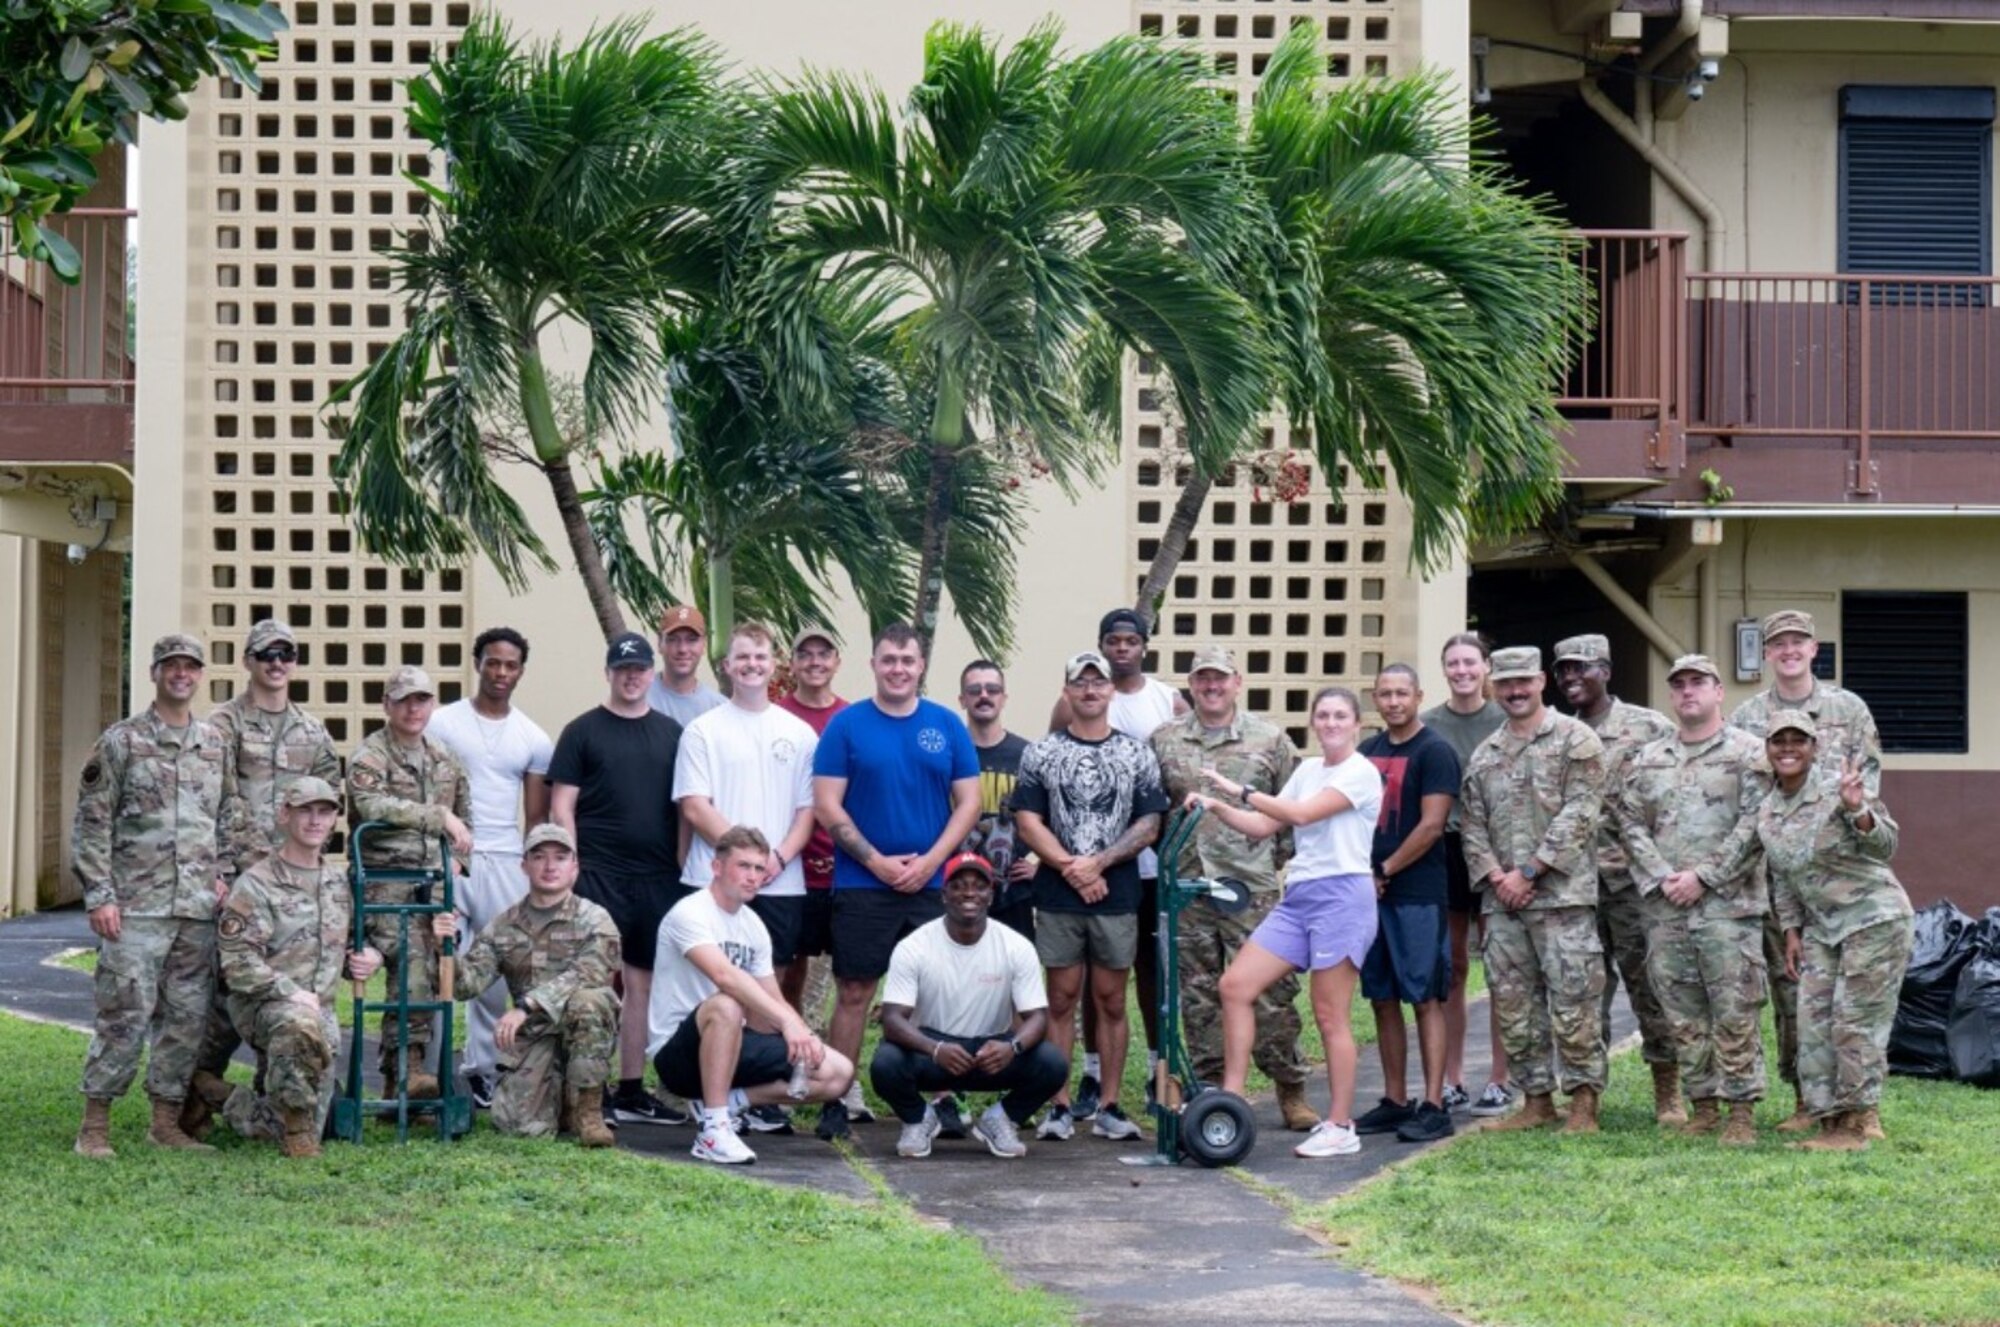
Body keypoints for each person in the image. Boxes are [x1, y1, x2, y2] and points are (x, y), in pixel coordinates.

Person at [1189, 687, 1384, 1159]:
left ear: (1356, 724)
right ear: (1314, 722)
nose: (1331, 723)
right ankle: (1232, 1100)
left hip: (1342, 895)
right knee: (1235, 986)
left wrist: (1242, 789)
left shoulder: (1361, 773)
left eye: (1340, 716)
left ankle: (1341, 1125)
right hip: (1299, 896)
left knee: (1329, 1014)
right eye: (1323, 715)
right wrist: (1218, 806)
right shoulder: (1309, 770)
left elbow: (1298, 813)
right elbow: (1262, 826)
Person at [812, 623, 981, 1140]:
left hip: (934, 885)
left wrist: (932, 861)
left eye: (907, 660)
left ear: (921, 665)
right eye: (889, 660)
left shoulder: (946, 725)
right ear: (873, 664)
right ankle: (837, 1096)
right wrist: (877, 861)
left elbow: (969, 802)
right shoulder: (846, 726)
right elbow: (826, 804)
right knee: (856, 990)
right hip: (863, 884)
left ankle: (944, 1097)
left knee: (939, 994)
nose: (898, 669)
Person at [73, 633, 238, 1158]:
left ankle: (165, 1123)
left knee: (186, 1020)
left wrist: (224, 874)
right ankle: (94, 1127)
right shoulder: (122, 741)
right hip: (136, 907)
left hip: (195, 908)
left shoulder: (213, 744)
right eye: (172, 666)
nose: (181, 674)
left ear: (199, 675)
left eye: (191, 667)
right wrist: (100, 895)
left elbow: (228, 815)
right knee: (124, 1014)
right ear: (154, 673)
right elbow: (92, 823)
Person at [1150, 645, 1317, 1133]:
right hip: (1189, 889)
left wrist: (1270, 860)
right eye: (1202, 678)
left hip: (1252, 892)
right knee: (1198, 998)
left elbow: (1293, 808)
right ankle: (1208, 1095)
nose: (1211, 686)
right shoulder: (1164, 740)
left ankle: (1291, 1090)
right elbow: (1155, 810)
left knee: (1269, 994)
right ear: (1191, 685)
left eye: (1219, 678)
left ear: (1237, 682)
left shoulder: (1270, 739)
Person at [1728, 609, 1882, 1133]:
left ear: (1815, 648)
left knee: (1856, 999)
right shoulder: (1747, 719)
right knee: (1796, 997)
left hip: (1844, 879)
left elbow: (1869, 786)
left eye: (1798, 642)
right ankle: (1806, 1101)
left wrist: (1845, 825)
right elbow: (1750, 801)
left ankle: (1865, 1108)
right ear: (1767, 653)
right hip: (1781, 881)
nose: (1789, 650)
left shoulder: (1847, 708)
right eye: (1779, 643)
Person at [187, 617, 341, 1134]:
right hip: (239, 878)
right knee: (226, 993)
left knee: (288, 985)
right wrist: (220, 869)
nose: (277, 663)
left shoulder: (312, 731)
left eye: (286, 654)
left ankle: (247, 1091)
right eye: (266, 654)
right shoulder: (222, 724)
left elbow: (327, 800)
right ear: (249, 662)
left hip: (295, 881)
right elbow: (209, 799)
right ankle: (197, 1081)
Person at [1013, 650, 1169, 1143]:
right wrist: (1071, 868)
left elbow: (1149, 822)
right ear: (1066, 691)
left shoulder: (1136, 753)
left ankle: (1109, 1104)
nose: (1089, 691)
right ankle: (1059, 1105)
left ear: (1110, 691)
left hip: (1117, 893)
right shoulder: (1041, 753)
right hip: (1059, 896)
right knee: (1059, 999)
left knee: (1110, 1000)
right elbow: (1027, 819)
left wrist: (1098, 864)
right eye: (1079, 683)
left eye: (1098, 683)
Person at [1616, 655, 1770, 1144]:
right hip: (1666, 908)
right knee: (1681, 1012)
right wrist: (1664, 877)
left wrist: (1703, 877)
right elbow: (1630, 824)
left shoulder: (1749, 753)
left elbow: (1755, 825)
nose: (1688, 692)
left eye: (1698, 683)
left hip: (1728, 907)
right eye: (1678, 685)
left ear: (1719, 691)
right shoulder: (1648, 759)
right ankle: (1703, 1104)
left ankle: (1741, 1110)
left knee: (1735, 1007)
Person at [674, 623, 818, 1133]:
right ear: (727, 665)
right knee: (714, 989)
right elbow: (695, 805)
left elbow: (808, 810)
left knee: (769, 987)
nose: (752, 664)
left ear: (774, 662)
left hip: (782, 880)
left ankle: (749, 1098)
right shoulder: (704, 730)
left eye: (760, 656)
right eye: (742, 657)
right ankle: (703, 1090)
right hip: (713, 881)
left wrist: (773, 861)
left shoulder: (799, 733)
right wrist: (741, 861)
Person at [1458, 646, 1609, 1134]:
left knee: (1574, 1002)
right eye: (1505, 684)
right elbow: (1472, 826)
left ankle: (1584, 1102)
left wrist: (1531, 871)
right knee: (1514, 1005)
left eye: (1523, 681)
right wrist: (1499, 879)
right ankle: (1537, 1099)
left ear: (1541, 681)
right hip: (1503, 904)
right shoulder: (1486, 755)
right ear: (1493, 688)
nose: (1515, 691)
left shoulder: (1575, 740)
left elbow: (1582, 811)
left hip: (1561, 899)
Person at [191, 777, 384, 1157]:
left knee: (297, 1118)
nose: (315, 820)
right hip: (263, 1004)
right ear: (284, 815)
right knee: (299, 1030)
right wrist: (290, 993)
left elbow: (354, 941)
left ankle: (215, 1093)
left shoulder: (338, 882)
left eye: (324, 812)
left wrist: (370, 956)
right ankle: (296, 1134)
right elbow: (238, 963)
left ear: (333, 821)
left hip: (318, 1010)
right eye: (305, 811)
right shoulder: (257, 884)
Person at [1049, 608, 1186, 1121]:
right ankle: (1087, 1073)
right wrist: (1078, 863)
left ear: (1144, 647)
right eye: (1114, 640)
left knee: (1145, 968)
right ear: (1102, 646)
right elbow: (1055, 774)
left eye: (1131, 640)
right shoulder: (1071, 705)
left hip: (1146, 864)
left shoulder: (1167, 699)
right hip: (1080, 869)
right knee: (1084, 976)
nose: (1122, 648)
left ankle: (1156, 1070)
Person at [648, 826, 853, 1165]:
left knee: (838, 1072)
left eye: (759, 868)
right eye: (743, 866)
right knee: (726, 1005)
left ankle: (729, 1103)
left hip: (734, 1045)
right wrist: (787, 1020)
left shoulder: (753, 925)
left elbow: (771, 1001)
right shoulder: (689, 912)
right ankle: (713, 1131)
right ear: (717, 867)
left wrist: (802, 1033)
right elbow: (724, 975)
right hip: (678, 1054)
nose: (753, 876)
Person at [1757, 711, 1912, 1151]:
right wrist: (1790, 930)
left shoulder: (1838, 788)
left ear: (1813, 748)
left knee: (1854, 1021)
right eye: (1778, 740)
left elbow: (1886, 846)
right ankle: (1829, 1121)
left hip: (1873, 918)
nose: (1788, 748)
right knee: (1813, 1023)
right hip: (1822, 929)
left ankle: (1859, 1122)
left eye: (1798, 740)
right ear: (1767, 750)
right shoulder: (1768, 810)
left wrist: (1858, 810)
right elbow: (1783, 876)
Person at [549, 631, 685, 1127]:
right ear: (608, 673)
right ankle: (587, 1087)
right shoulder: (581, 731)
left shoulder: (672, 734)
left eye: (640, 669)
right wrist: (571, 868)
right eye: (622, 668)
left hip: (656, 877)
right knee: (594, 980)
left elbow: (685, 809)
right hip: (598, 874)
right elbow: (561, 805)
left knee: (641, 983)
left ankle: (630, 1087)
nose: (631, 676)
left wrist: (681, 865)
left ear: (652, 674)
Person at [1551, 633, 1682, 1125]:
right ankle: (1585, 1096)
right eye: (1563, 670)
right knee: (1580, 994)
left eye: (1580, 668)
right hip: (1574, 886)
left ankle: (1667, 1089)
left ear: (1605, 670)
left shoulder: (1648, 727)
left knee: (1649, 986)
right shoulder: (1557, 732)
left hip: (1632, 884)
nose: (1570, 678)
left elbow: (1675, 794)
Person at [425, 626, 555, 1109]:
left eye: (511, 665)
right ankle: (431, 1067)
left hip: (504, 860)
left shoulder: (533, 737)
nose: (501, 672)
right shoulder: (442, 723)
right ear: (477, 662)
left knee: (495, 972)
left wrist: (531, 870)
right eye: (493, 662)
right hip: (451, 858)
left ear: (521, 670)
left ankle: (481, 1068)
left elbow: (537, 815)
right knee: (440, 959)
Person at [433, 823, 621, 1147]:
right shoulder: (504, 925)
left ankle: (588, 1112)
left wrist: (525, 1006)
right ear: (524, 866)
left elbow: (589, 972)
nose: (550, 866)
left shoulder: (595, 918)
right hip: (534, 1036)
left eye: (560, 858)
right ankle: (560, 1100)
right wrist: (446, 946)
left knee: (590, 1000)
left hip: (578, 1026)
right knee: (516, 1126)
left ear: (574, 868)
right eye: (539, 857)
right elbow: (466, 986)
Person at [871, 853, 1068, 1159]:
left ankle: (1000, 1120)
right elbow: (893, 1019)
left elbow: (1038, 1018)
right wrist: (935, 1049)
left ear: (991, 895)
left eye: (979, 886)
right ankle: (917, 1119)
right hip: (933, 1051)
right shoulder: (914, 946)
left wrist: (1011, 1048)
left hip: (991, 1053)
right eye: (959, 885)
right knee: (885, 1063)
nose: (969, 893)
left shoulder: (1016, 945)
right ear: (944, 895)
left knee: (1052, 1063)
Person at [345, 664, 473, 1100]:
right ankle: (407, 1069)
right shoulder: (371, 755)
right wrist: (436, 818)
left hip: (432, 884)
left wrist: (457, 859)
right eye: (404, 700)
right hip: (383, 882)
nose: (413, 708)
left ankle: (408, 1075)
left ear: (432, 705)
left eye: (421, 700)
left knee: (441, 960)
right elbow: (370, 803)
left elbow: (465, 818)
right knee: (413, 953)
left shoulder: (444, 757)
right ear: (387, 705)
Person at [1353, 664, 1460, 1145]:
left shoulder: (1435, 751)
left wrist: (1386, 870)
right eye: (1384, 694)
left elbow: (1432, 826)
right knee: (1381, 997)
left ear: (1418, 696)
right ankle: (1396, 1100)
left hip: (1416, 894)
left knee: (1425, 997)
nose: (1393, 701)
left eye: (1402, 693)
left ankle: (1434, 1103)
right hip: (1368, 894)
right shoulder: (1366, 753)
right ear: (1375, 699)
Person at [1420, 632, 1508, 1117]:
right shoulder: (1430, 723)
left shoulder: (1505, 719)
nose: (1461, 670)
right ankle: (1451, 1077)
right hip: (1447, 849)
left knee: (1501, 969)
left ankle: (1499, 1077)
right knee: (1452, 968)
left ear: (1486, 666)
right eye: (1452, 663)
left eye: (1470, 662)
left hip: (1497, 851)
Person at [775, 626, 847, 1012]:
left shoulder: (852, 718)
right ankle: (789, 1057)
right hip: (790, 867)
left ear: (837, 662)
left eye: (824, 654)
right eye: (806, 654)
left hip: (844, 866)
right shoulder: (776, 716)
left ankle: (837, 1066)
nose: (815, 662)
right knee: (788, 970)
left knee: (851, 976)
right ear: (792, 663)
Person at [958, 660, 1036, 940]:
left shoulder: (1028, 755)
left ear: (1003, 698)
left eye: (992, 689)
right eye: (975, 690)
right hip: (956, 887)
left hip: (1012, 891)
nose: (984, 695)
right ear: (962, 699)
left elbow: (1054, 818)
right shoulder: (949, 753)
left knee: (1012, 975)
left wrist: (1041, 866)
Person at [647, 603, 725, 728]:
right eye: (673, 639)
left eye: (692, 639)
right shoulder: (639, 699)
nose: (682, 649)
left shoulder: (718, 708)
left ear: (704, 644)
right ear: (659, 643)